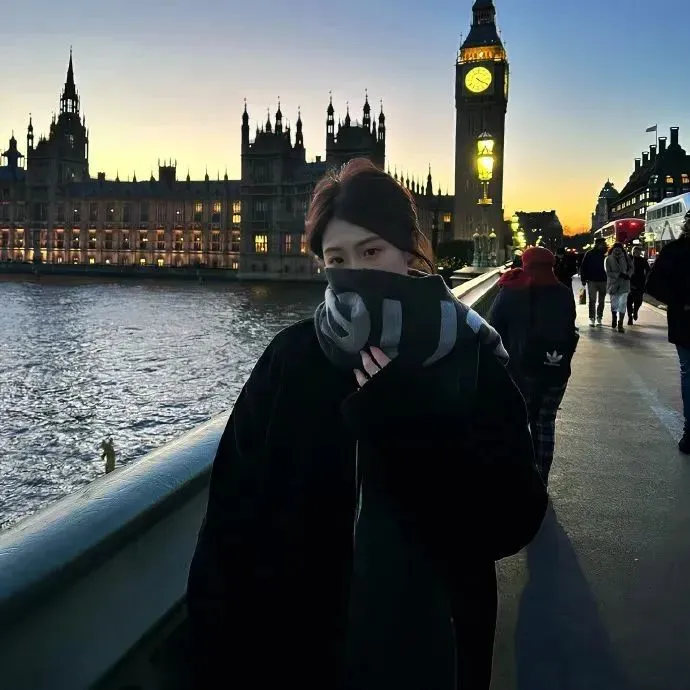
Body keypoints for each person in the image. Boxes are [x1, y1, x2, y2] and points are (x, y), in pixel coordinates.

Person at [186, 158, 548, 690]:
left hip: (435, 655)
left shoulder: (471, 360)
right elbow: (230, 521)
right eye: (337, 258)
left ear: (410, 250)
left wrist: (405, 433)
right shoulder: (292, 359)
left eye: (371, 251)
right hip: (302, 657)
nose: (355, 271)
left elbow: (515, 518)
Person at [489, 246, 579, 486]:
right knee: (545, 423)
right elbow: (569, 329)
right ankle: (542, 479)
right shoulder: (563, 292)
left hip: (521, 370)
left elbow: (494, 328)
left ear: (525, 264)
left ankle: (522, 480)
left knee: (520, 423)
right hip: (556, 369)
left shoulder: (511, 291)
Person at [645, 209, 690, 454]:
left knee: (689, 373)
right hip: (685, 321)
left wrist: (680, 303)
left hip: (685, 321)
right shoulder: (675, 251)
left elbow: (653, 285)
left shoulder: (674, 251)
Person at [605, 242, 634, 332]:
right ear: (613, 249)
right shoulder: (608, 259)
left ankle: (620, 323)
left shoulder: (626, 258)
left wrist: (628, 275)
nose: (617, 251)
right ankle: (614, 317)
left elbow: (631, 268)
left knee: (623, 304)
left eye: (619, 249)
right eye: (616, 249)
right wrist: (618, 274)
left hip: (624, 284)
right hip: (613, 284)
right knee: (614, 304)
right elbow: (608, 272)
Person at [579, 237, 608, 327]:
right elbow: (583, 266)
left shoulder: (606, 254)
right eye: (601, 243)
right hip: (592, 280)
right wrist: (583, 279)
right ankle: (592, 318)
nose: (602, 245)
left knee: (601, 301)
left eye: (603, 243)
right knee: (592, 300)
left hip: (603, 280)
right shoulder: (589, 253)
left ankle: (599, 317)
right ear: (597, 244)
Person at [627, 246, 651, 325]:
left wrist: (646, 279)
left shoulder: (643, 260)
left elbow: (648, 270)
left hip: (640, 282)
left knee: (639, 301)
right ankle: (630, 317)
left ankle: (635, 311)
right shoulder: (629, 259)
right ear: (633, 252)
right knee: (629, 301)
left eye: (638, 251)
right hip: (630, 282)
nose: (636, 253)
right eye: (635, 251)